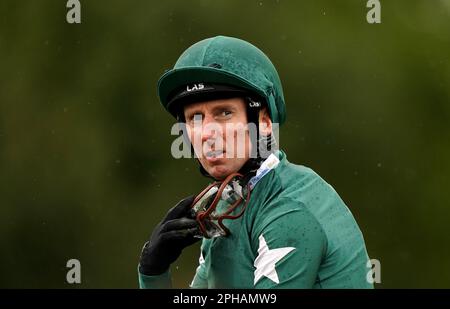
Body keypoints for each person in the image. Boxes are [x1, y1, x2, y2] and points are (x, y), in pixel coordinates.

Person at [138, 35, 373, 289]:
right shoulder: (228, 205)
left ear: (264, 121)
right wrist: (153, 271)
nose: (207, 132)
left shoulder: (289, 211)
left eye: (224, 113)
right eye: (195, 118)